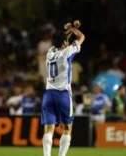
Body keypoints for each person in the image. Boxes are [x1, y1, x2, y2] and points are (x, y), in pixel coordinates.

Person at [41, 20, 85, 156]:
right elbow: (82, 37)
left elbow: (59, 39)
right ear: (65, 43)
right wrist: (73, 28)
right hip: (63, 94)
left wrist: (70, 30)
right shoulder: (67, 53)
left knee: (48, 129)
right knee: (67, 128)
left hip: (48, 94)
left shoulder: (50, 53)